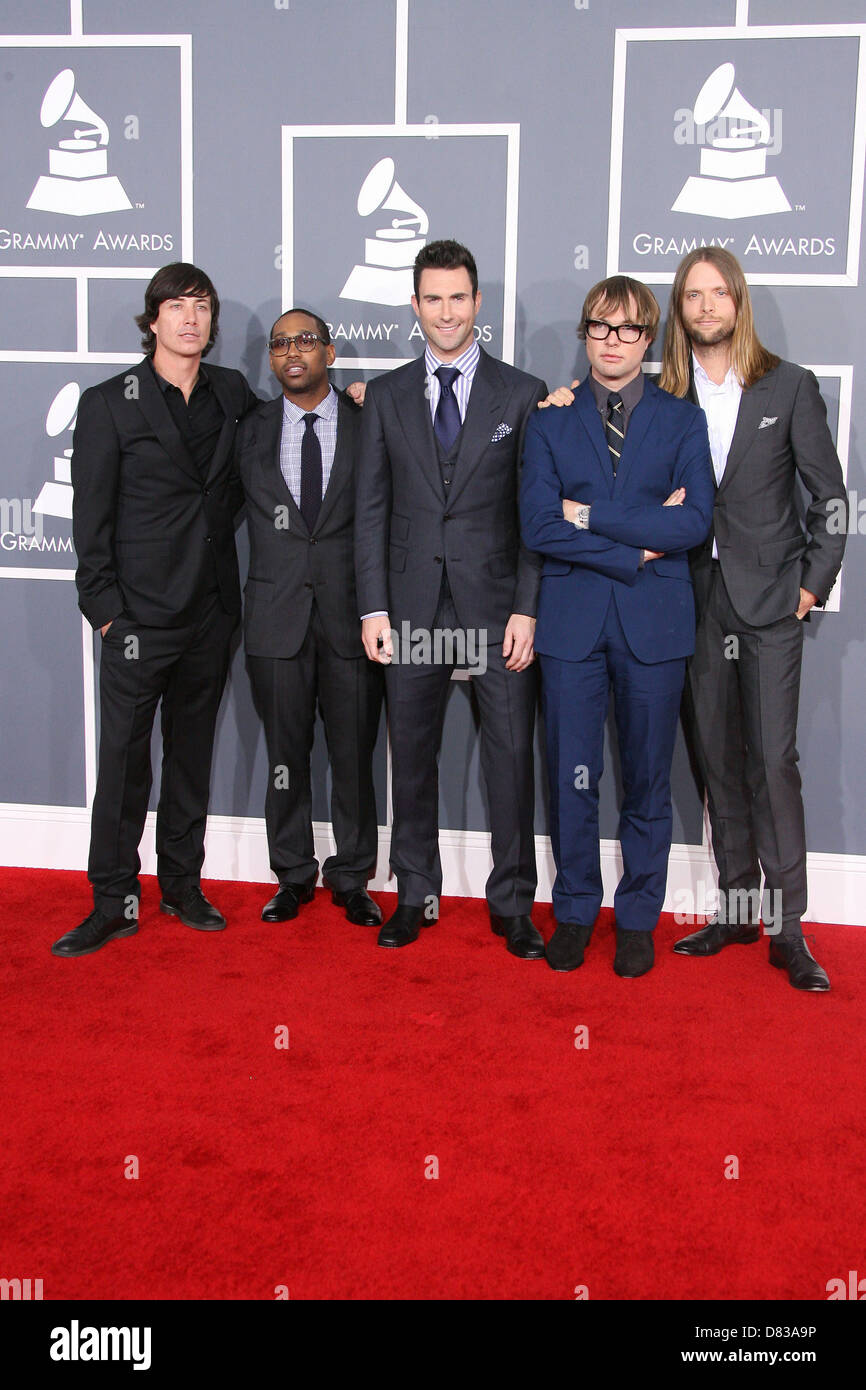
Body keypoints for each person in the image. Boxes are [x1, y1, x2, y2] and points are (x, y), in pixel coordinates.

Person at [53, 263, 256, 957]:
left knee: (191, 757)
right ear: (153, 320)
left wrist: (351, 396)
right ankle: (112, 898)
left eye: (202, 305)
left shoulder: (232, 393)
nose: (190, 318)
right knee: (123, 762)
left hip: (210, 614)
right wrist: (107, 612)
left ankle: (181, 884)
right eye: (177, 306)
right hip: (138, 620)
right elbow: (92, 519)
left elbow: (291, 425)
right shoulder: (111, 402)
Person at [354, 239, 548, 954]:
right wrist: (373, 608)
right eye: (432, 298)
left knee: (509, 758)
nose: (445, 311)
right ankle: (415, 894)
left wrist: (527, 606)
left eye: (458, 297)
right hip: (409, 608)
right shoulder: (385, 396)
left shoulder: (521, 394)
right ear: (414, 306)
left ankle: (513, 904)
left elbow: (537, 514)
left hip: (497, 608)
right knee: (411, 757)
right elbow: (370, 510)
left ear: (476, 304)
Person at [661, 248, 847, 990]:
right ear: (680, 310)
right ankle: (736, 909)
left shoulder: (789, 387)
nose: (705, 306)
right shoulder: (663, 396)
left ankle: (788, 928)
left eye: (717, 293)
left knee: (773, 764)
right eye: (691, 296)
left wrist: (810, 587)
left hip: (771, 604)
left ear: (738, 301)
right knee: (717, 762)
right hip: (690, 600)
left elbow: (829, 501)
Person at [520, 276, 714, 977]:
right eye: (601, 328)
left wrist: (589, 515)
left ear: (648, 339)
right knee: (572, 778)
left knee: (646, 782)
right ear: (586, 333)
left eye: (629, 330)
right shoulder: (550, 418)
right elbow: (539, 523)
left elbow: (691, 522)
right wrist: (637, 542)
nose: (613, 342)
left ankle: (637, 917)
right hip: (571, 624)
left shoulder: (683, 420)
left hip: (654, 626)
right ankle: (573, 909)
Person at [237, 309, 383, 927]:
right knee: (284, 756)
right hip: (275, 620)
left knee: (353, 755)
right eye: (279, 344)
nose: (291, 351)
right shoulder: (247, 428)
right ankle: (292, 874)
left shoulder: (368, 419)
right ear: (271, 359)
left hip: (353, 619)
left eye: (304, 341)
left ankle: (353, 876)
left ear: (328, 351)